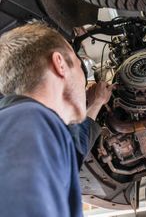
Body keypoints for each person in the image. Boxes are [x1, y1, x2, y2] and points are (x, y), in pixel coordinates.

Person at [0, 21, 113, 217]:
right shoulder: (29, 119)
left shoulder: (23, 121)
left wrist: (96, 104)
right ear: (60, 63)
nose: (83, 81)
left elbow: (74, 150)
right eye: (79, 66)